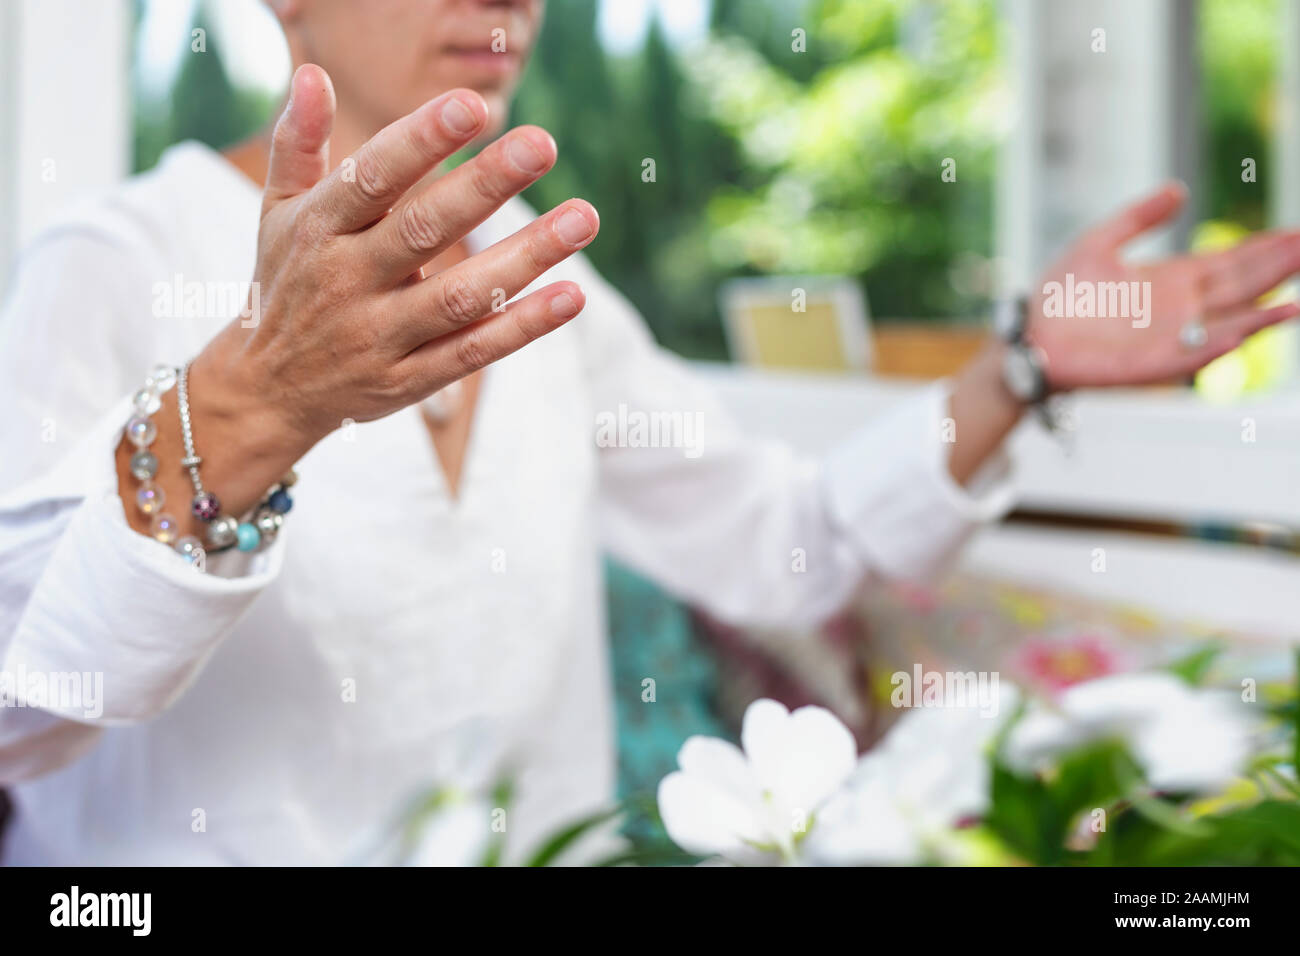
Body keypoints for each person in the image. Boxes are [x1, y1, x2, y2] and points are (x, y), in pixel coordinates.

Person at [2, 0, 1298, 865]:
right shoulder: (112, 265)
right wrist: (259, 408)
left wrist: (1017, 367)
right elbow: (20, 707)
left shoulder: (555, 302)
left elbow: (787, 545)